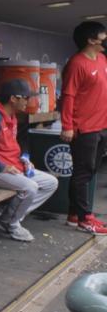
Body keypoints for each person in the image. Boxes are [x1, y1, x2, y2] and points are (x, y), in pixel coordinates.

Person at [0, 79, 58, 242]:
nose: (29, 101)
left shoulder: (11, 115)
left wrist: (24, 158)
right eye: (26, 97)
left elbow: (12, 145)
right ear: (13, 99)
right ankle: (10, 223)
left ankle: (8, 215)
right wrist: (1, 166)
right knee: (30, 187)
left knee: (50, 182)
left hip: (8, 167)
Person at [60, 20, 107, 235]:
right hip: (83, 128)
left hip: (101, 126)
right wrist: (67, 126)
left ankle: (73, 214)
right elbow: (68, 96)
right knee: (82, 173)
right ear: (91, 39)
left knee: (90, 171)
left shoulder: (102, 59)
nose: (105, 37)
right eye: (102, 34)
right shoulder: (76, 63)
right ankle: (84, 218)